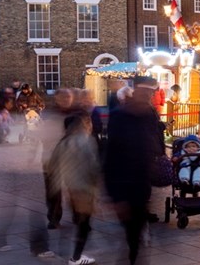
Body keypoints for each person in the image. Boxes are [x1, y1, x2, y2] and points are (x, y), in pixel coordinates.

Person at [103, 76, 162, 265]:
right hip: (124, 183)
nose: (149, 97)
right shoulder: (120, 117)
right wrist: (116, 197)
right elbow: (110, 155)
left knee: (135, 237)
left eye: (151, 93)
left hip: (142, 184)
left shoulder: (150, 116)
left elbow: (152, 146)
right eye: (146, 93)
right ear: (136, 92)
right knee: (132, 236)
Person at [48, 113, 100, 265]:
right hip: (84, 189)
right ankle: (76, 258)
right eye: (87, 123)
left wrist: (57, 187)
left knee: (80, 222)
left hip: (71, 188)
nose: (89, 125)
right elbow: (93, 167)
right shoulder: (86, 141)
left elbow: (53, 167)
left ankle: (70, 254)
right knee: (84, 225)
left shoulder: (63, 143)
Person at [40, 89, 75, 228]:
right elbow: (44, 136)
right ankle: (54, 218)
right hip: (51, 158)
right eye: (63, 97)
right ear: (57, 98)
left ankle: (78, 216)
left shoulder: (77, 113)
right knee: (53, 191)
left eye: (68, 97)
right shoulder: (49, 114)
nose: (66, 100)